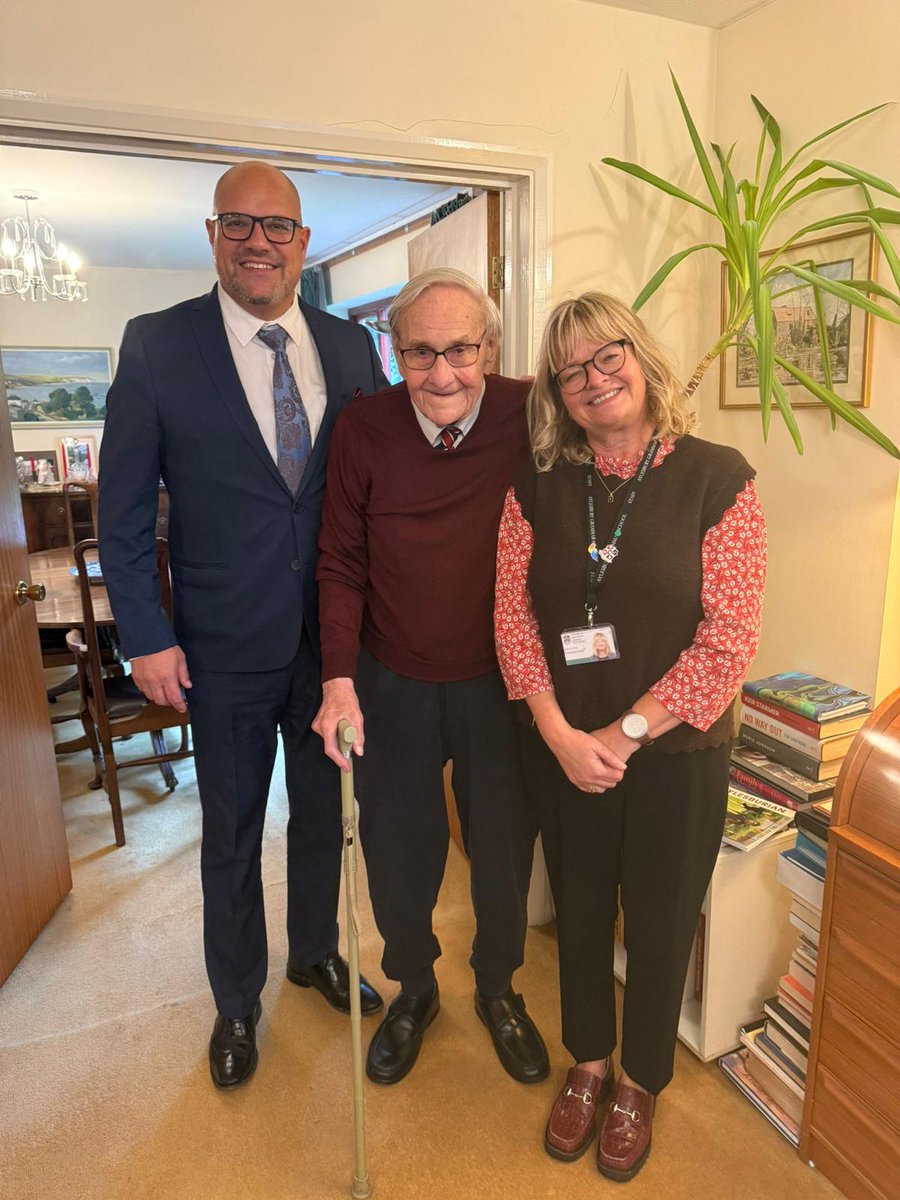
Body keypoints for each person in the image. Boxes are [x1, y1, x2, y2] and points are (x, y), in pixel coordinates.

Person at [98, 161, 390, 1090]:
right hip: (217, 648)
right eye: (240, 222)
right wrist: (145, 635)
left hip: (333, 644)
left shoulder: (351, 349)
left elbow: (375, 491)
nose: (259, 240)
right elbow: (122, 507)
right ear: (214, 233)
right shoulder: (156, 344)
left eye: (279, 226)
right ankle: (236, 1001)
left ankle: (313, 953)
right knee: (227, 834)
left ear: (304, 241)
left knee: (321, 816)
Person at [494, 292, 766, 1181]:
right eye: (569, 370)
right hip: (563, 751)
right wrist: (562, 734)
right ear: (556, 392)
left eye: (606, 356)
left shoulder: (720, 478)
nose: (592, 379)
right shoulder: (536, 484)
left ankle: (642, 1079)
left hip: (678, 755)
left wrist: (623, 732)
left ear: (641, 357)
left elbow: (728, 640)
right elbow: (512, 620)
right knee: (576, 912)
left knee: (659, 923)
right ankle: (587, 1064)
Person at [313, 268, 549, 1087]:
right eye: (419, 353)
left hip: (500, 682)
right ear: (393, 350)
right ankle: (416, 986)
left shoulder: (533, 411)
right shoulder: (363, 427)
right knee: (398, 855)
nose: (441, 374)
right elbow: (339, 560)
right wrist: (338, 678)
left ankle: (497, 988)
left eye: (460, 350)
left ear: (489, 346)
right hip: (390, 679)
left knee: (503, 853)